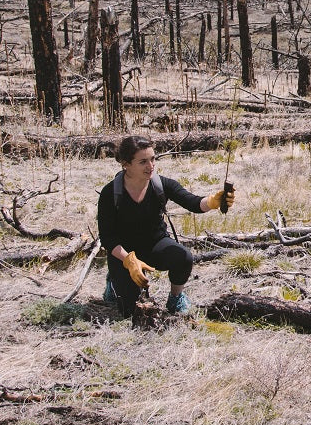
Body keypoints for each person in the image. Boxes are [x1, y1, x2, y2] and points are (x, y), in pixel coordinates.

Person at [96, 136, 235, 318]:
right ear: (126, 164)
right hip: (124, 254)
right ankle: (113, 283)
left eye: (153, 159)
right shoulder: (110, 193)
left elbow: (192, 202)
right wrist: (128, 260)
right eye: (143, 162)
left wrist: (212, 201)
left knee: (183, 257)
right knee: (129, 312)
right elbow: (107, 237)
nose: (151, 166)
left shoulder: (160, 184)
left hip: (155, 245)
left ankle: (176, 297)